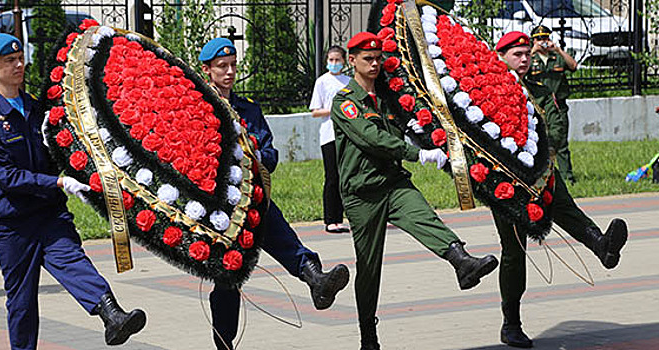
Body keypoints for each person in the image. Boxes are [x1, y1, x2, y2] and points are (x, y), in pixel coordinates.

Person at [0, 33, 146, 350]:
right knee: (21, 300)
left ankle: (112, 315)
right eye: (10, 61)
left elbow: (59, 152)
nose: (19, 64)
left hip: (48, 211)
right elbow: (5, 176)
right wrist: (58, 183)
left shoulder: (37, 109)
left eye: (20, 58)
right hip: (11, 223)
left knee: (73, 261)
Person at [330, 32, 500, 350]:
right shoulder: (345, 102)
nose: (375, 63)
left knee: (424, 216)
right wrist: (416, 154)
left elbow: (418, 123)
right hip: (362, 194)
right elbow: (371, 138)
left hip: (393, 183)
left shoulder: (390, 98)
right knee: (369, 265)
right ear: (351, 61)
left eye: (378, 58)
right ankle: (368, 331)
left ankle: (462, 262)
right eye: (368, 59)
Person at [198, 37, 350, 350]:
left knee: (279, 232)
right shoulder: (197, 111)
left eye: (232, 66)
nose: (229, 72)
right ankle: (224, 343)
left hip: (251, 196)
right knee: (228, 277)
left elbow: (270, 152)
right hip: (216, 209)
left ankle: (316, 280)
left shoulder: (249, 111)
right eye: (221, 67)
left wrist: (255, 156)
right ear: (207, 70)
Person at [495, 31, 628, 348]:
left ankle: (602, 246)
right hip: (504, 181)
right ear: (500, 56)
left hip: (541, 170)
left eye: (528, 53)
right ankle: (511, 323)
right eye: (518, 54)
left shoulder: (539, 91)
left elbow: (553, 126)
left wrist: (540, 155)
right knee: (514, 251)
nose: (525, 59)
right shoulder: (486, 89)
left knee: (566, 208)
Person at [309, 45, 352, 234]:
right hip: (329, 135)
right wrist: (335, 109)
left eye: (337, 60)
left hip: (348, 134)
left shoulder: (350, 82)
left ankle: (341, 217)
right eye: (331, 60)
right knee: (332, 177)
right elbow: (315, 111)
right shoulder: (322, 82)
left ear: (344, 61)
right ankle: (330, 219)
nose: (334, 64)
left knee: (346, 177)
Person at [528, 25, 578, 184]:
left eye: (545, 38)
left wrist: (557, 49)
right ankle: (539, 176)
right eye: (539, 38)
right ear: (533, 40)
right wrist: (532, 51)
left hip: (558, 106)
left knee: (561, 141)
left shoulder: (557, 56)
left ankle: (567, 177)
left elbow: (573, 66)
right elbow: (518, 71)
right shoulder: (530, 58)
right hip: (538, 106)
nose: (543, 41)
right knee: (537, 143)